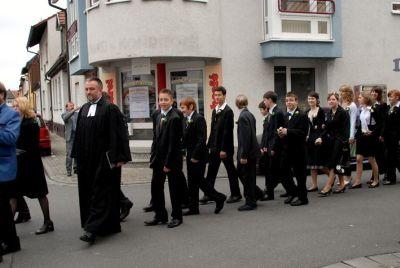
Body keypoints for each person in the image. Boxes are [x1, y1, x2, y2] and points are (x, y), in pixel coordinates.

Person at [72, 78, 131, 244]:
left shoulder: (110, 108)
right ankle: (103, 225)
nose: (89, 92)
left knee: (100, 193)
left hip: (105, 159)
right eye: (86, 89)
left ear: (99, 90)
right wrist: (76, 158)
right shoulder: (84, 109)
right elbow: (79, 136)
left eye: (92, 89)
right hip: (86, 160)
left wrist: (120, 157)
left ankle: (92, 230)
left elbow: (120, 135)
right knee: (89, 192)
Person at [10, 97, 54, 235]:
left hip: (31, 163)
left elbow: (31, 146)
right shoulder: (17, 122)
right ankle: (10, 226)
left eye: (16, 106)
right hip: (19, 163)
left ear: (23, 106)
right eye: (13, 106)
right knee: (14, 194)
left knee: (40, 193)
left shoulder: (30, 123)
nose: (14, 108)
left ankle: (48, 222)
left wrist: (17, 150)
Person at [179, 97, 227, 215]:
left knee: (199, 181)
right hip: (190, 155)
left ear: (191, 107)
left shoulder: (199, 119)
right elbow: (186, 139)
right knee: (192, 182)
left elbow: (202, 140)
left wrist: (195, 156)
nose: (182, 110)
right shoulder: (187, 119)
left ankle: (218, 197)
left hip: (198, 156)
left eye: (183, 107)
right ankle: (194, 208)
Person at [145, 88, 185, 228]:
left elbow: (174, 144)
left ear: (172, 101)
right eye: (160, 99)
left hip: (171, 159)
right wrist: (152, 157)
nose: (163, 102)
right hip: (158, 158)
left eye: (165, 100)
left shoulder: (175, 117)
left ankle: (177, 217)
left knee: (174, 189)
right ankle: (160, 215)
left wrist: (168, 163)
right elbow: (155, 138)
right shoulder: (156, 114)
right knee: (156, 187)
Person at [202, 86, 242, 204]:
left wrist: (224, 149)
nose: (217, 97)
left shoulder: (228, 111)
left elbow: (227, 132)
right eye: (216, 95)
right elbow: (213, 129)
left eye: (219, 95)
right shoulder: (215, 110)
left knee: (231, 171)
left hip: (225, 149)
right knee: (211, 171)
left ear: (224, 96)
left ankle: (236, 194)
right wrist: (209, 145)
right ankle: (209, 194)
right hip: (214, 147)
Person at [101, 91, 133, 222]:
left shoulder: (113, 111)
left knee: (112, 183)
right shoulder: (108, 112)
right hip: (107, 155)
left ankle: (124, 203)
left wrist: (121, 158)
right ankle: (118, 205)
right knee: (107, 183)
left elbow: (121, 137)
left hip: (114, 156)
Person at [277, 92, 309, 206]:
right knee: (282, 171)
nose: (288, 103)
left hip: (298, 150)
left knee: (300, 175)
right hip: (287, 149)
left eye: (291, 100)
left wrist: (288, 131)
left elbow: (303, 133)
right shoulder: (285, 115)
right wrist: (281, 133)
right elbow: (284, 130)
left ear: (296, 101)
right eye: (286, 101)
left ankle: (303, 198)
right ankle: (292, 192)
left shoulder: (302, 115)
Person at [0, 82, 21, 257]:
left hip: (4, 168)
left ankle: (11, 242)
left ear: (1, 95)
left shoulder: (11, 114)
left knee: (3, 209)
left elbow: (11, 137)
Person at [317, 92, 350, 196]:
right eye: (329, 100)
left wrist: (343, 142)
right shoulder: (329, 112)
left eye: (333, 99)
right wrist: (320, 137)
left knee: (333, 163)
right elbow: (327, 128)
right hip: (331, 140)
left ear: (337, 100)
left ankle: (328, 186)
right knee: (338, 164)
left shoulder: (342, 112)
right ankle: (342, 184)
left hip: (340, 140)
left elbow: (344, 129)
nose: (331, 101)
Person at [262, 91, 290, 200]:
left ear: (269, 100)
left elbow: (277, 132)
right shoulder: (271, 111)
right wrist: (264, 145)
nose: (264, 102)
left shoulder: (278, 112)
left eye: (265, 100)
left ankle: (272, 193)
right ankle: (273, 192)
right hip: (269, 145)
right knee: (272, 170)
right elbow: (268, 131)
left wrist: (273, 148)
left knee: (275, 170)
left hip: (276, 147)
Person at [235, 95, 261, 210]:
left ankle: (250, 201)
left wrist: (244, 155)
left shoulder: (242, 117)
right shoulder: (250, 114)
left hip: (247, 152)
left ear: (237, 104)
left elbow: (246, 138)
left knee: (247, 176)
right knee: (245, 174)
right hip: (252, 151)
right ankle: (257, 193)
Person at [351, 91, 380, 188]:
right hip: (362, 137)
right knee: (359, 159)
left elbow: (380, 124)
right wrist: (355, 137)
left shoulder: (373, 109)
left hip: (371, 137)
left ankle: (376, 180)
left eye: (360, 97)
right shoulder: (361, 110)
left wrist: (373, 132)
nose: (358, 99)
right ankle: (358, 181)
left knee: (372, 159)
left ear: (365, 98)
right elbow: (360, 125)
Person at [305, 92, 329, 192]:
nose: (310, 100)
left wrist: (320, 137)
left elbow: (323, 126)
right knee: (311, 163)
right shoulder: (307, 112)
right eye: (309, 98)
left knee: (320, 162)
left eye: (313, 99)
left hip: (318, 138)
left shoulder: (321, 111)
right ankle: (314, 185)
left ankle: (331, 176)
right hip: (309, 139)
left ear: (317, 100)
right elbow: (307, 127)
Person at [339, 85, 358, 185]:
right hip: (340, 134)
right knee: (340, 157)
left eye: (343, 92)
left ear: (348, 93)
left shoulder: (352, 105)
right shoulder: (341, 103)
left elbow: (353, 122)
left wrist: (351, 136)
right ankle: (342, 178)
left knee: (346, 157)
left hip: (347, 134)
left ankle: (348, 177)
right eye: (341, 91)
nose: (341, 94)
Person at [370, 87, 388, 184]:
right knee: (373, 155)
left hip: (379, 132)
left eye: (376, 92)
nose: (373, 93)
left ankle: (383, 173)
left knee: (380, 154)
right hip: (371, 132)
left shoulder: (382, 104)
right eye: (372, 92)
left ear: (379, 94)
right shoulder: (370, 104)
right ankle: (374, 175)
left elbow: (383, 121)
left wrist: (382, 134)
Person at [382, 89, 400, 185]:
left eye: (391, 96)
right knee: (389, 156)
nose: (389, 98)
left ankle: (391, 177)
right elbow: (385, 122)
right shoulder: (389, 107)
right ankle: (390, 177)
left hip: (396, 135)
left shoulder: (399, 107)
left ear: (397, 97)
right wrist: (382, 134)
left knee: (396, 156)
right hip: (388, 136)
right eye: (389, 96)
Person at [61, 101, 79, 176]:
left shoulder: (77, 114)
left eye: (73, 105)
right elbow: (65, 118)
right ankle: (68, 170)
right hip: (70, 136)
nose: (72, 107)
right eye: (70, 106)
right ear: (67, 107)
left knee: (77, 153)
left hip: (77, 135)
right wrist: (73, 110)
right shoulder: (64, 114)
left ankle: (76, 168)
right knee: (69, 154)